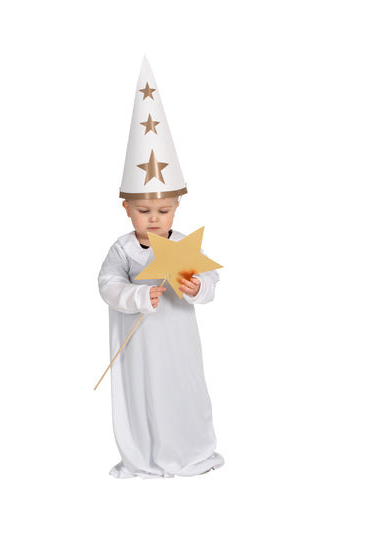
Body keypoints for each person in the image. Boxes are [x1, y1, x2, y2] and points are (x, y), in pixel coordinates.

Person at [97, 56, 223, 478]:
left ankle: (189, 448)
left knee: (182, 390)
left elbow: (210, 280)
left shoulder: (183, 245)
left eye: (164, 210)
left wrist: (197, 287)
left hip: (178, 343)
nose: (154, 219)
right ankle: (146, 453)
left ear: (176, 207)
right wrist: (137, 295)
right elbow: (107, 284)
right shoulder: (123, 249)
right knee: (145, 396)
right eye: (144, 210)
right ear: (127, 209)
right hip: (140, 347)